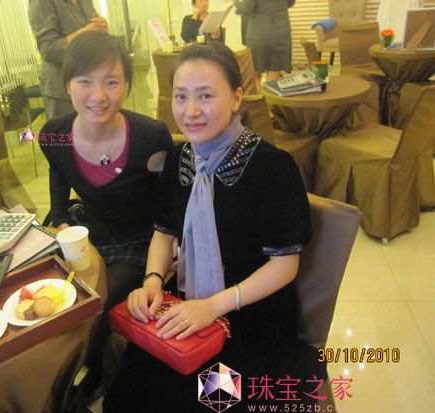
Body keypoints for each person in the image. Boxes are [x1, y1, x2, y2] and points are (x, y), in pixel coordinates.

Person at [103, 42, 325, 412]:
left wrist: (211, 307)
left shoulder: (272, 167)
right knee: (131, 391)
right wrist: (153, 281)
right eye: (181, 96)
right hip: (186, 299)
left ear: (236, 98)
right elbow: (163, 232)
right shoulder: (179, 159)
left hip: (251, 316)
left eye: (205, 96)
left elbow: (285, 264)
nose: (190, 111)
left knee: (205, 401)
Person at [38, 31, 173, 407]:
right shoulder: (55, 137)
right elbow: (58, 189)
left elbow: (169, 202)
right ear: (67, 84)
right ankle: (77, 370)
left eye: (111, 82)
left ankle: (93, 374)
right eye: (85, 82)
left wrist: (173, 243)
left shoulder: (150, 136)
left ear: (127, 84)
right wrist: (62, 224)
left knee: (97, 296)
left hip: (141, 239)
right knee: (53, 295)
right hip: (90, 235)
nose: (98, 96)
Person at [28, 0, 108, 120]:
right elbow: (49, 50)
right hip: (62, 91)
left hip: (90, 83)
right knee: (66, 130)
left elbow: (93, 29)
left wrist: (101, 28)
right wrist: (87, 31)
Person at [236, 0, 293, 91]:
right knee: (273, 76)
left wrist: (235, 2)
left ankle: (261, 99)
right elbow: (290, 2)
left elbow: (246, 8)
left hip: (260, 33)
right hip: (281, 32)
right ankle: (269, 98)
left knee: (255, 75)